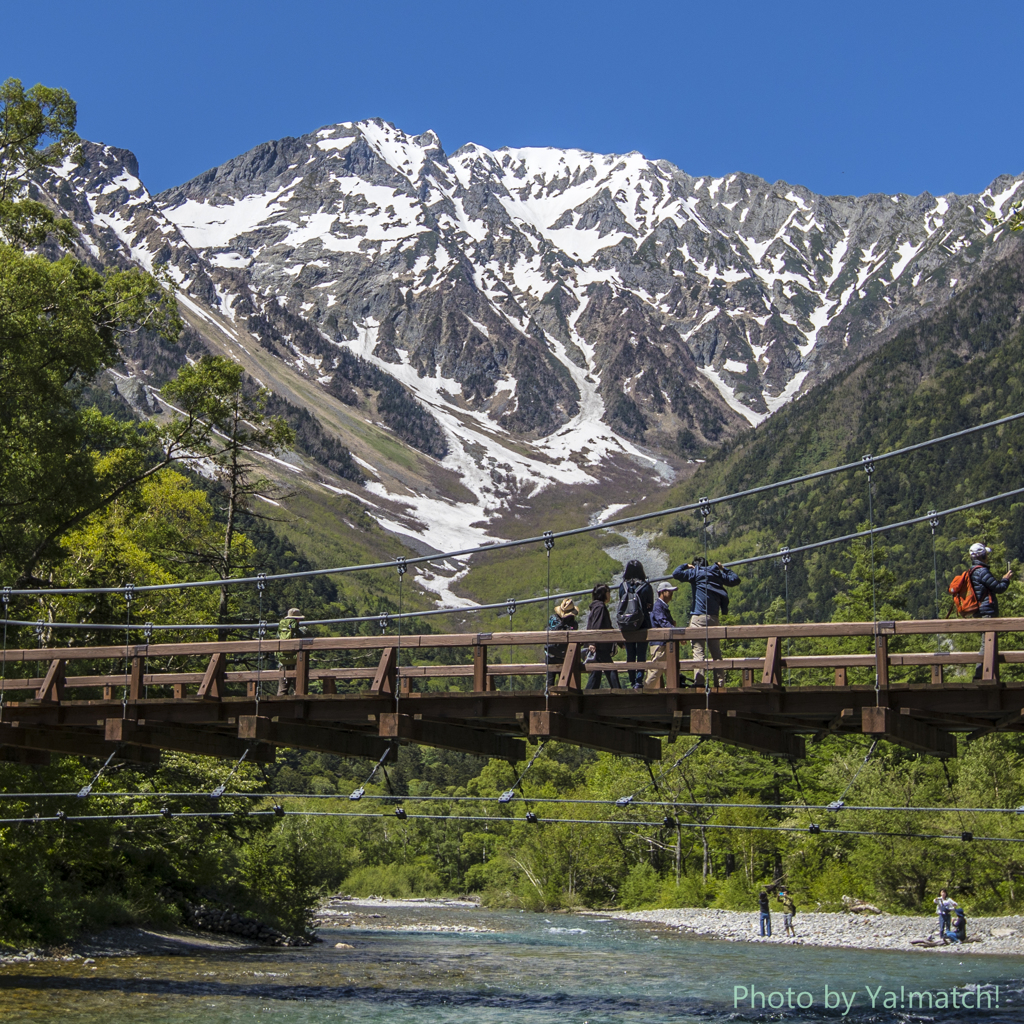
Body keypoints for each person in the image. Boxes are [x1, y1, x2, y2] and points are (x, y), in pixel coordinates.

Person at [672, 557, 741, 688]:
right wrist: (723, 568)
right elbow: (735, 579)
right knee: (716, 653)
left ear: (695, 566)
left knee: (698, 652)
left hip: (698, 617)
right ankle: (720, 684)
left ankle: (699, 683)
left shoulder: (695, 573)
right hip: (713, 618)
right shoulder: (716, 573)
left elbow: (676, 573)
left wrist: (686, 565)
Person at [965, 543, 1013, 679]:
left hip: (979, 611)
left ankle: (986, 675)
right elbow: (998, 588)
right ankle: (980, 676)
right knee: (987, 645)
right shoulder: (981, 571)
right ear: (983, 555)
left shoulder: (972, 570)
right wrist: (1006, 579)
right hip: (987, 613)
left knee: (987, 644)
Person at [618, 560, 654, 690]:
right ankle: (639, 682)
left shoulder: (623, 586)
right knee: (641, 654)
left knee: (630, 654)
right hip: (642, 624)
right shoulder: (645, 586)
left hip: (626, 625)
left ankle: (632, 680)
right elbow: (650, 606)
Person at [585, 584, 620, 689]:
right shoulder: (600, 607)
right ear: (603, 594)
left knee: (597, 671)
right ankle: (619, 693)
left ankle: (588, 694)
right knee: (610, 669)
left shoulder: (596, 607)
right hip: (600, 646)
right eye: (608, 592)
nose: (609, 595)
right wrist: (593, 643)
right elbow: (597, 626)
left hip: (599, 645)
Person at [644, 583, 678, 687]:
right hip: (660, 645)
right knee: (655, 670)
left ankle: (672, 692)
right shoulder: (659, 606)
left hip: (662, 644)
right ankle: (643, 693)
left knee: (669, 670)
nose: (671, 594)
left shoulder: (661, 606)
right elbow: (664, 623)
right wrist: (678, 634)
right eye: (669, 591)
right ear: (662, 592)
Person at [545, 598, 579, 688]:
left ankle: (549, 699)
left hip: (550, 654)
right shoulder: (572, 624)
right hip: (563, 656)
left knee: (550, 682)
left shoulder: (552, 620)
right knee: (564, 683)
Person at [276, 607, 307, 695]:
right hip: (297, 661)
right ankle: (297, 705)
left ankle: (280, 706)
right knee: (298, 688)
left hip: (283, 661)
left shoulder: (281, 629)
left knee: (282, 690)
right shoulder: (299, 630)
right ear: (297, 619)